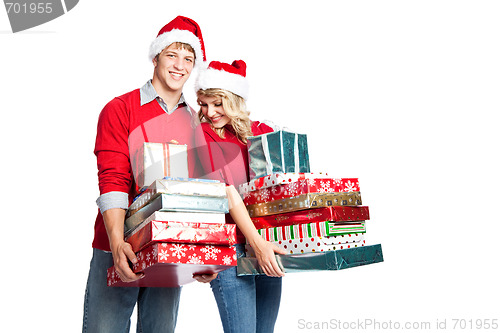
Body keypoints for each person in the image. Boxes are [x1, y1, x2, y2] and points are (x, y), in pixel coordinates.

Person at [82, 16, 212, 332]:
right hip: (118, 242)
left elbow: (202, 192)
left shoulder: (198, 123)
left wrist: (204, 251)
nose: (180, 65)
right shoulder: (120, 109)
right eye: (172, 55)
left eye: (188, 58)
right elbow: (112, 178)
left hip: (171, 245)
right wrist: (116, 241)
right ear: (155, 57)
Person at [194, 60, 286, 333]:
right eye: (203, 104)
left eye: (217, 104)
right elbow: (225, 191)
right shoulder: (204, 134)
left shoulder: (261, 132)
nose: (209, 112)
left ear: (234, 99)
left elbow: (282, 185)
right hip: (231, 248)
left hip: (268, 243)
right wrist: (258, 245)